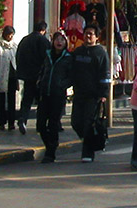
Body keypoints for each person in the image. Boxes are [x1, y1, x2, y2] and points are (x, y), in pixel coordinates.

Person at [70, 24, 110, 163]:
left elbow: (105, 73)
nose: (88, 36)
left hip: (94, 95)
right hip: (79, 93)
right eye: (86, 33)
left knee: (88, 123)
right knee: (75, 122)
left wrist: (104, 93)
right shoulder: (78, 51)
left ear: (97, 37)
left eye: (91, 34)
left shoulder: (101, 53)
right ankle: (90, 141)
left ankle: (87, 152)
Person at [36, 32, 72, 164]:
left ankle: (50, 153)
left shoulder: (68, 57)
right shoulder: (47, 55)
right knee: (40, 124)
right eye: (57, 39)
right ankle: (51, 145)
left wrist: (62, 84)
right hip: (45, 93)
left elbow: (71, 76)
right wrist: (40, 82)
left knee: (53, 123)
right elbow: (42, 70)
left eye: (62, 39)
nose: (59, 42)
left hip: (58, 95)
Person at [15, 21, 51, 135]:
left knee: (26, 99)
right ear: (43, 30)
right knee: (41, 101)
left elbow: (18, 56)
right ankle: (40, 124)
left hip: (27, 76)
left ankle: (22, 118)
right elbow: (47, 58)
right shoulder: (43, 41)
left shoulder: (25, 40)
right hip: (39, 76)